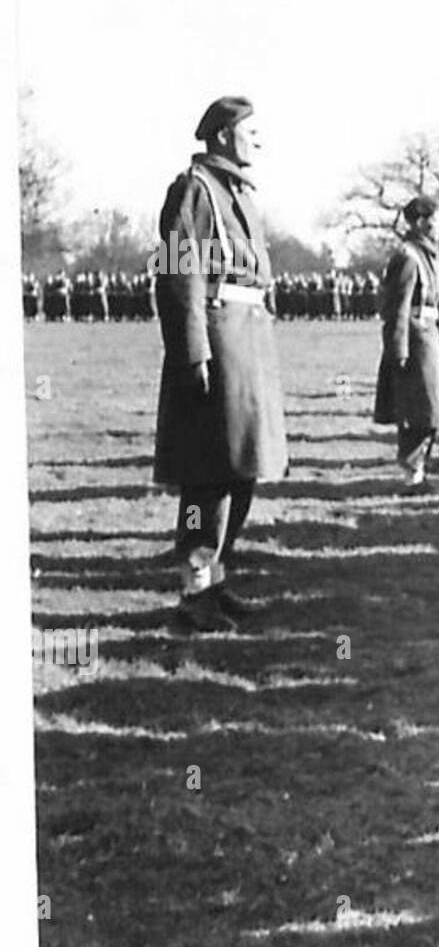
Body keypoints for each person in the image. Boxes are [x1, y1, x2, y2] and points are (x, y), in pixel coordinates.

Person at [152, 95, 287, 632]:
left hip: (247, 342)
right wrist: (191, 354)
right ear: (226, 135)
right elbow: (175, 275)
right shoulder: (194, 190)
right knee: (206, 474)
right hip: (216, 344)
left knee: (241, 467)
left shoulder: (240, 195)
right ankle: (193, 589)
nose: (260, 140)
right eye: (252, 130)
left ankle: (217, 579)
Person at [374, 194, 439, 488]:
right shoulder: (408, 256)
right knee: (417, 412)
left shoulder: (428, 253)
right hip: (416, 341)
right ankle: (412, 475)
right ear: (420, 222)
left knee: (432, 412)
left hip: (430, 336)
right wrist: (399, 349)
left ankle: (419, 471)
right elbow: (397, 308)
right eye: (436, 220)